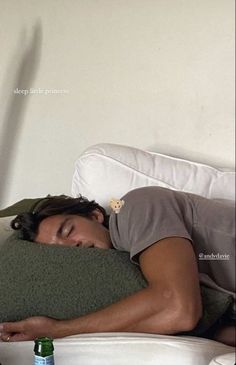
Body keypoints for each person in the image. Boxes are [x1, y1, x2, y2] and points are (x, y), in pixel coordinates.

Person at [0, 186, 235, 346]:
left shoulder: (134, 206)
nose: (74, 246)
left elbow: (179, 310)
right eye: (61, 251)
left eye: (68, 230)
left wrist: (57, 330)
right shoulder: (128, 267)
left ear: (95, 215)